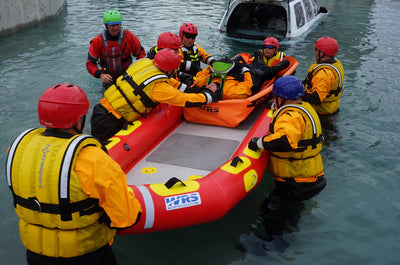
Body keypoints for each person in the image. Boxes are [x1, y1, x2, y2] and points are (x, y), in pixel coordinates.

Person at [5, 83, 142, 265]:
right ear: (79, 120)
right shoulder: (91, 158)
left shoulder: (17, 150)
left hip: (35, 254)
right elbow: (126, 218)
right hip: (86, 254)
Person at [245, 76, 326, 252]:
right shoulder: (304, 107)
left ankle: (269, 247)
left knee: (271, 211)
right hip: (312, 176)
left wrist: (259, 143)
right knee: (290, 211)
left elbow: (285, 140)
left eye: (275, 97)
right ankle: (289, 235)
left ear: (280, 97)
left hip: (296, 180)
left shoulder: (289, 116)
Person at [91, 48, 218, 142]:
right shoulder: (159, 88)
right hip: (110, 122)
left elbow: (170, 83)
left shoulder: (144, 63)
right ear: (170, 70)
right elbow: (185, 100)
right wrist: (208, 95)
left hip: (100, 109)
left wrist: (198, 89)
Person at [86, 10, 146, 90]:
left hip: (127, 77)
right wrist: (100, 75)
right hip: (108, 80)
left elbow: (141, 54)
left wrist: (138, 71)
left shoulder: (129, 37)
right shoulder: (97, 41)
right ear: (106, 25)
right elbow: (90, 64)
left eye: (117, 25)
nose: (116, 28)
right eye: (112, 25)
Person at [194, 57, 290, 100]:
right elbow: (248, 86)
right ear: (217, 92)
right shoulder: (231, 93)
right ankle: (279, 66)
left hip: (232, 71)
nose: (209, 86)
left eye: (207, 88)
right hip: (248, 76)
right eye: (211, 89)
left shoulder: (205, 82)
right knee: (263, 72)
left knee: (254, 65)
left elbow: (199, 76)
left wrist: (211, 67)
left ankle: (258, 59)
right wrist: (246, 71)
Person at [302, 37, 344, 115]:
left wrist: (297, 93)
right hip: (330, 109)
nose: (314, 52)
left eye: (316, 49)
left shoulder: (324, 74)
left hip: (321, 113)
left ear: (322, 53)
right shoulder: (336, 63)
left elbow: (316, 99)